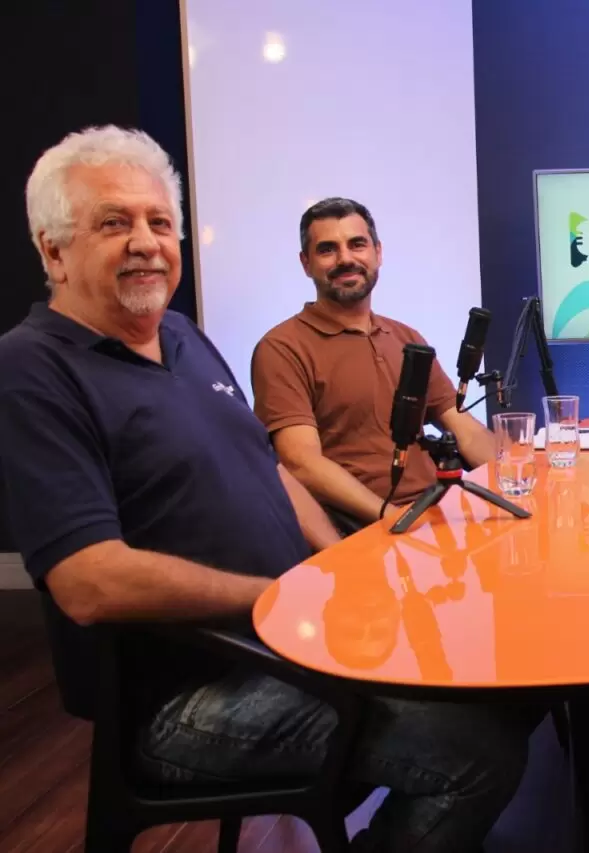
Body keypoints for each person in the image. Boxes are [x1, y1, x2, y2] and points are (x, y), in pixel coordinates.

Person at [0, 126, 529, 852]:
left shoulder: (181, 337)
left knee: (506, 691)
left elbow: (272, 467)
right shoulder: (31, 369)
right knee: (476, 754)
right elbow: (89, 582)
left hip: (289, 637)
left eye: (160, 222)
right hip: (189, 694)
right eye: (114, 223)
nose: (146, 242)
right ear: (53, 251)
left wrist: (332, 570)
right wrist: (282, 598)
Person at [251, 198, 495, 529]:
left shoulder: (406, 338)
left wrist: (515, 478)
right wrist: (394, 517)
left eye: (357, 244)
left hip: (435, 515)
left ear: (378, 253)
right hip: (361, 528)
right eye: (327, 249)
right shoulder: (282, 348)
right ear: (306, 263)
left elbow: (465, 430)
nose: (345, 259)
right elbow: (301, 463)